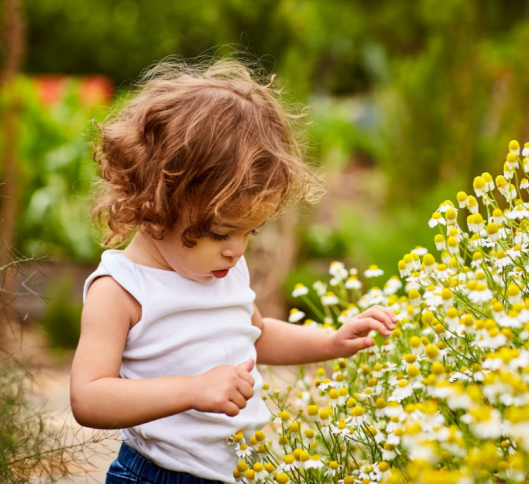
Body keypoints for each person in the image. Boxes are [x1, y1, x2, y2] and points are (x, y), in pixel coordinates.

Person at [70, 58, 398, 484]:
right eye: (222, 232)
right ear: (157, 202)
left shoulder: (224, 269)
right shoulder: (121, 290)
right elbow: (89, 397)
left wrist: (330, 341)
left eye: (251, 231)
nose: (237, 250)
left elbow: (256, 335)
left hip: (245, 472)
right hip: (160, 476)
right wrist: (192, 389)